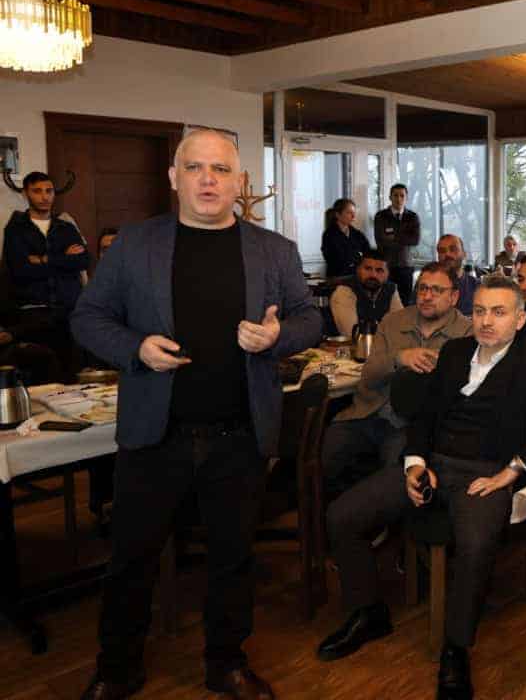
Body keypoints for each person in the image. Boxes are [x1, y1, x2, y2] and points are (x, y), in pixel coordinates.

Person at [71, 128, 322, 700]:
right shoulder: (135, 244)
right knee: (131, 560)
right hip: (154, 436)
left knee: (233, 559)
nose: (208, 180)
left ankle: (226, 663)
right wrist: (135, 348)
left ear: (240, 182)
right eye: (195, 168)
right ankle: (117, 668)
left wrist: (278, 336)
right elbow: (88, 318)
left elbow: (310, 318)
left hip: (239, 435)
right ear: (174, 177)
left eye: (221, 169)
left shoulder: (274, 250)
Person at [324, 276, 526, 699]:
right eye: (479, 311)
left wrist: (515, 469)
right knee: (342, 515)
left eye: (498, 312)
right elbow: (425, 415)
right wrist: (415, 463)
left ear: (519, 319)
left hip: (486, 473)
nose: (486, 321)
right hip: (434, 464)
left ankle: (456, 647)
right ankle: (368, 611)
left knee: (475, 544)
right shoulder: (456, 351)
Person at [315, 262, 471, 662]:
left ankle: (393, 546)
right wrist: (400, 357)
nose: (427, 295)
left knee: (392, 472)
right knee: (325, 453)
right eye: (423, 288)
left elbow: (458, 396)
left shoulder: (467, 332)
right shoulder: (394, 320)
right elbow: (367, 375)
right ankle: (342, 548)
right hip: (369, 413)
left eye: (437, 290)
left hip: (410, 429)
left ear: (455, 296)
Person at [2, 171, 90, 365]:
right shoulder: (16, 229)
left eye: (49, 191)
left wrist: (43, 259)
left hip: (69, 312)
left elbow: (83, 261)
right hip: (33, 313)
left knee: (73, 370)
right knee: (42, 371)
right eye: (37, 191)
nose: (44, 197)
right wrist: (65, 259)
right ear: (26, 193)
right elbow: (21, 270)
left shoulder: (66, 227)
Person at [329, 248, 402, 339]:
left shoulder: (390, 289)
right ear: (358, 270)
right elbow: (351, 333)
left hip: (382, 345)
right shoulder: (344, 291)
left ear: (387, 274)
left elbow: (401, 325)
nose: (373, 275)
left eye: (379, 270)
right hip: (346, 347)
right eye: (367, 269)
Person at [373, 183, 420, 305]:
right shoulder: (381, 216)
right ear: (390, 197)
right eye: (395, 195)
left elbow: (415, 240)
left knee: (405, 302)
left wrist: (393, 236)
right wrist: (404, 237)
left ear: (406, 198)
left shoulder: (412, 217)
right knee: (385, 301)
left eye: (402, 195)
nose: (399, 199)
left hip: (406, 266)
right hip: (386, 266)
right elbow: (381, 241)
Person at [321, 198, 371, 279]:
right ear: (338, 214)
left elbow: (368, 253)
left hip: (356, 276)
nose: (353, 216)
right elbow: (334, 259)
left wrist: (356, 257)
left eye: (354, 213)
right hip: (337, 277)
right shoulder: (329, 234)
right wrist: (357, 256)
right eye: (349, 213)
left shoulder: (357, 234)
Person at [436, 233, 478, 316]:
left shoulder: (477, 287)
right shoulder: (426, 285)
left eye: (453, 249)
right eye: (442, 251)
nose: (447, 254)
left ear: (464, 254)